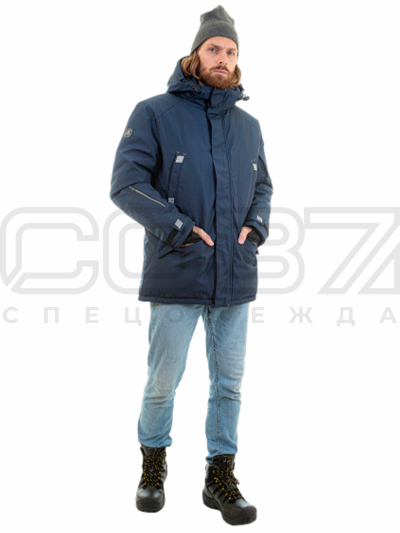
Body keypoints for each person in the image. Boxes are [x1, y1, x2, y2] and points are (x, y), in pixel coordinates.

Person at [109, 5, 273, 526]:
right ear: (195, 54)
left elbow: (263, 186)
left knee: (229, 384)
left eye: (231, 51)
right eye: (213, 49)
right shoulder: (154, 113)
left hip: (235, 275)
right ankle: (152, 466)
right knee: (163, 380)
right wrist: (179, 227)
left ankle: (219, 476)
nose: (223, 58)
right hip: (177, 269)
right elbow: (126, 184)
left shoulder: (249, 126)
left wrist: (256, 227)